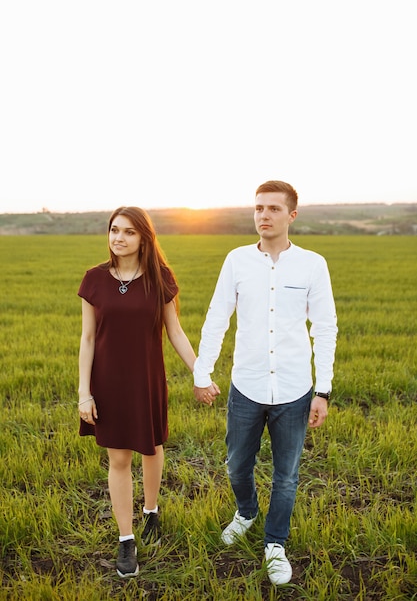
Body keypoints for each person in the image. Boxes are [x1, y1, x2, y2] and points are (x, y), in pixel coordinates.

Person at [193, 181, 337, 586]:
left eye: (273, 208)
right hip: (247, 387)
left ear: (292, 215)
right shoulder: (237, 261)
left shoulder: (312, 264)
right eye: (258, 208)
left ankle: (275, 542)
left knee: (286, 476)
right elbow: (217, 316)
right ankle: (247, 511)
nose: (263, 215)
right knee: (237, 465)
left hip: (294, 390)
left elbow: (325, 328)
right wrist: (202, 371)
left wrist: (322, 390)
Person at [77, 206, 211, 579]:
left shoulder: (159, 278)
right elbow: (88, 339)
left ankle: (151, 510)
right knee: (118, 460)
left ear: (144, 238)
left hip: (148, 380)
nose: (118, 238)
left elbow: (176, 332)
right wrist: (83, 392)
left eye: (128, 232)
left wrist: (200, 373)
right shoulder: (94, 280)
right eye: (114, 230)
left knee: (152, 448)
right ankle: (126, 539)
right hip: (108, 383)